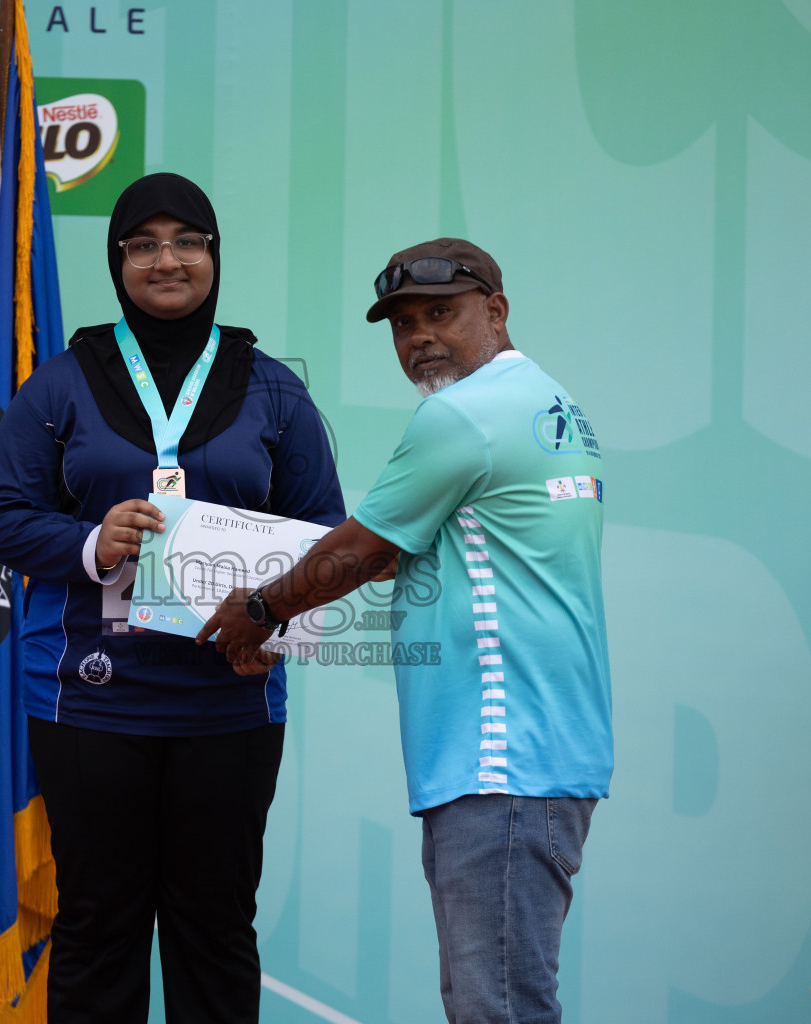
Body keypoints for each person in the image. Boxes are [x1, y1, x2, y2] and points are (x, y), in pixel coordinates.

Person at [201, 238, 613, 1024]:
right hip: (542, 755)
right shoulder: (551, 403)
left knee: (496, 1008)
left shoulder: (462, 415)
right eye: (401, 323)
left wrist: (256, 613)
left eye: (440, 314)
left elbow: (357, 549)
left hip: (500, 760)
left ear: (495, 311)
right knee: (499, 1001)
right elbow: (462, 542)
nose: (419, 336)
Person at [0, 172, 344, 1024]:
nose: (166, 260)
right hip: (89, 700)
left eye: (188, 242)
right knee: (98, 926)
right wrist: (87, 543)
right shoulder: (63, 384)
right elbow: (1, 515)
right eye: (143, 244)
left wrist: (274, 595)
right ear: (117, 260)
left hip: (232, 702)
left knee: (215, 927)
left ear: (215, 255)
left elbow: (327, 531)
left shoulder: (274, 389)